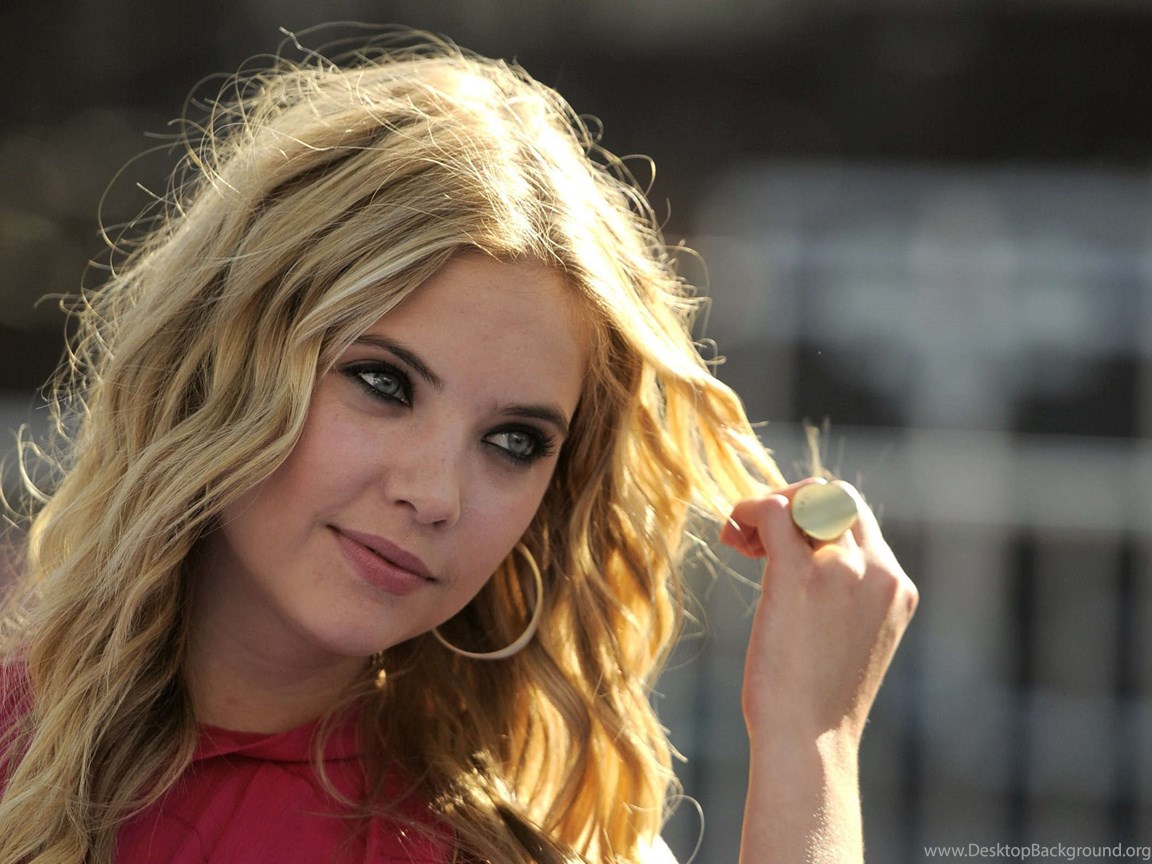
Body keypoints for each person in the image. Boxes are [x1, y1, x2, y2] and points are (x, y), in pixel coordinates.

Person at [0, 29, 917, 864]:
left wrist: (812, 743)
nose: (436, 494)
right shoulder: (19, 757)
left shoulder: (526, 849)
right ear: (224, 353)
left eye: (514, 441)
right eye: (383, 383)